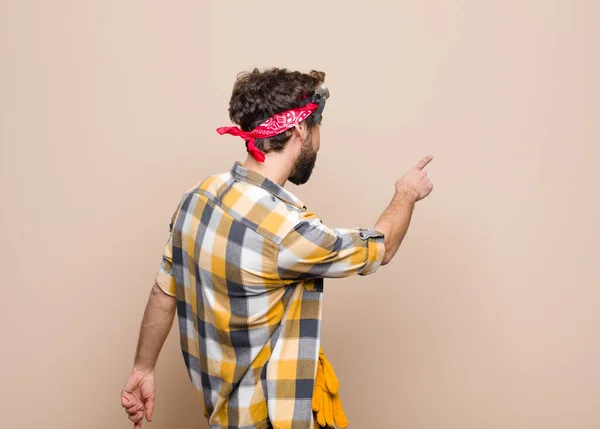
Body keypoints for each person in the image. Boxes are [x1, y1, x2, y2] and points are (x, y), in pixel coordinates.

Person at [120, 68, 434, 429]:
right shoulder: (289, 234)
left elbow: (164, 290)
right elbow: (382, 246)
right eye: (317, 130)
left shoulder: (198, 197)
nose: (319, 142)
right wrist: (406, 193)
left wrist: (143, 368)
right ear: (301, 129)